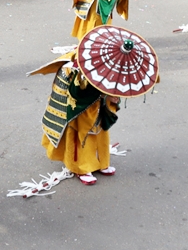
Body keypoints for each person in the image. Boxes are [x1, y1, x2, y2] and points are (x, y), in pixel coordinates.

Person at [33, 27, 157, 186]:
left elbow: (113, 84)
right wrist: (99, 92)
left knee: (100, 133)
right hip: (79, 106)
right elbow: (75, 93)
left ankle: (100, 161)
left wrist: (113, 96)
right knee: (80, 134)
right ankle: (81, 167)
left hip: (98, 107)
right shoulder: (79, 65)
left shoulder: (116, 63)